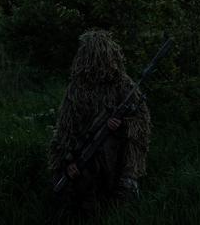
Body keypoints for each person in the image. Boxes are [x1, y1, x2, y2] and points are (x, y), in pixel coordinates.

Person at [48, 29, 151, 214]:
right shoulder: (76, 89)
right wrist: (67, 161)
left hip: (116, 151)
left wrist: (122, 126)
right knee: (66, 193)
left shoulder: (123, 85)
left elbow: (141, 122)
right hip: (83, 152)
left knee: (120, 196)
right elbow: (65, 129)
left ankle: (124, 187)